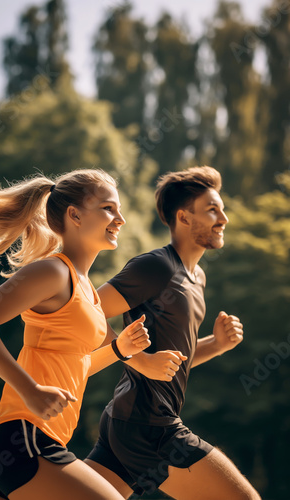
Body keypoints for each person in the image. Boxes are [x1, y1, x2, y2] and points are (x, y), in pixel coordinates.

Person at [0, 169, 153, 500]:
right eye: (108, 208)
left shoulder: (87, 290)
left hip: (30, 442)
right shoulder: (53, 272)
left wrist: (119, 349)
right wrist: (29, 389)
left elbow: (74, 367)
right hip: (25, 438)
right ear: (74, 215)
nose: (119, 218)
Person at [85, 166, 261, 499]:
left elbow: (173, 361)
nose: (223, 218)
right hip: (147, 424)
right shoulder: (157, 266)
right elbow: (85, 314)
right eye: (212, 210)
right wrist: (139, 359)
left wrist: (217, 344)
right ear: (183, 217)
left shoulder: (198, 278)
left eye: (221, 209)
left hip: (126, 421)